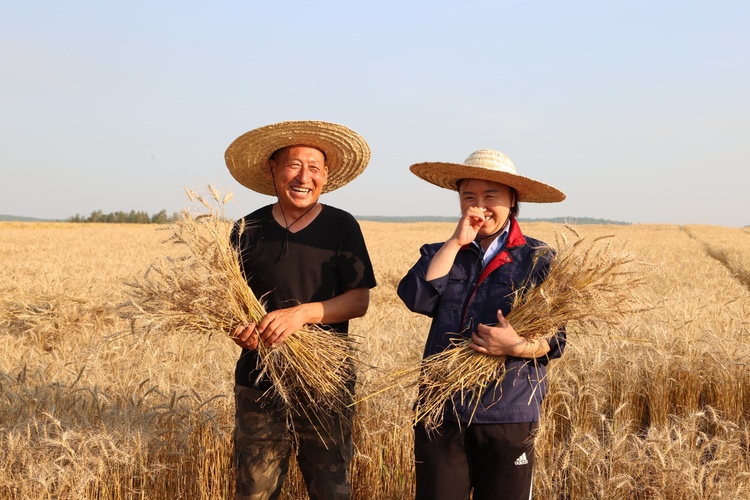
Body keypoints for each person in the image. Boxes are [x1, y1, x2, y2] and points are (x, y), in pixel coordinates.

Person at [397, 149, 567, 500]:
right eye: (469, 197)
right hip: (442, 410)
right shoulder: (440, 252)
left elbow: (556, 340)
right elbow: (417, 299)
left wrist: (515, 346)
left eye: (491, 196)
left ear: (513, 200)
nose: (479, 206)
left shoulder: (539, 260)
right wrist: (455, 243)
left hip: (509, 412)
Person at [224, 120, 377, 500]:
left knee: (331, 491)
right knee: (254, 491)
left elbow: (358, 301)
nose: (304, 177)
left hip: (326, 383)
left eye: (314, 167)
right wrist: (239, 329)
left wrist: (302, 315)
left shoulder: (341, 227)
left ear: (326, 174)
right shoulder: (246, 229)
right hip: (259, 381)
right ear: (272, 169)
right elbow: (228, 305)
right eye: (294, 165)